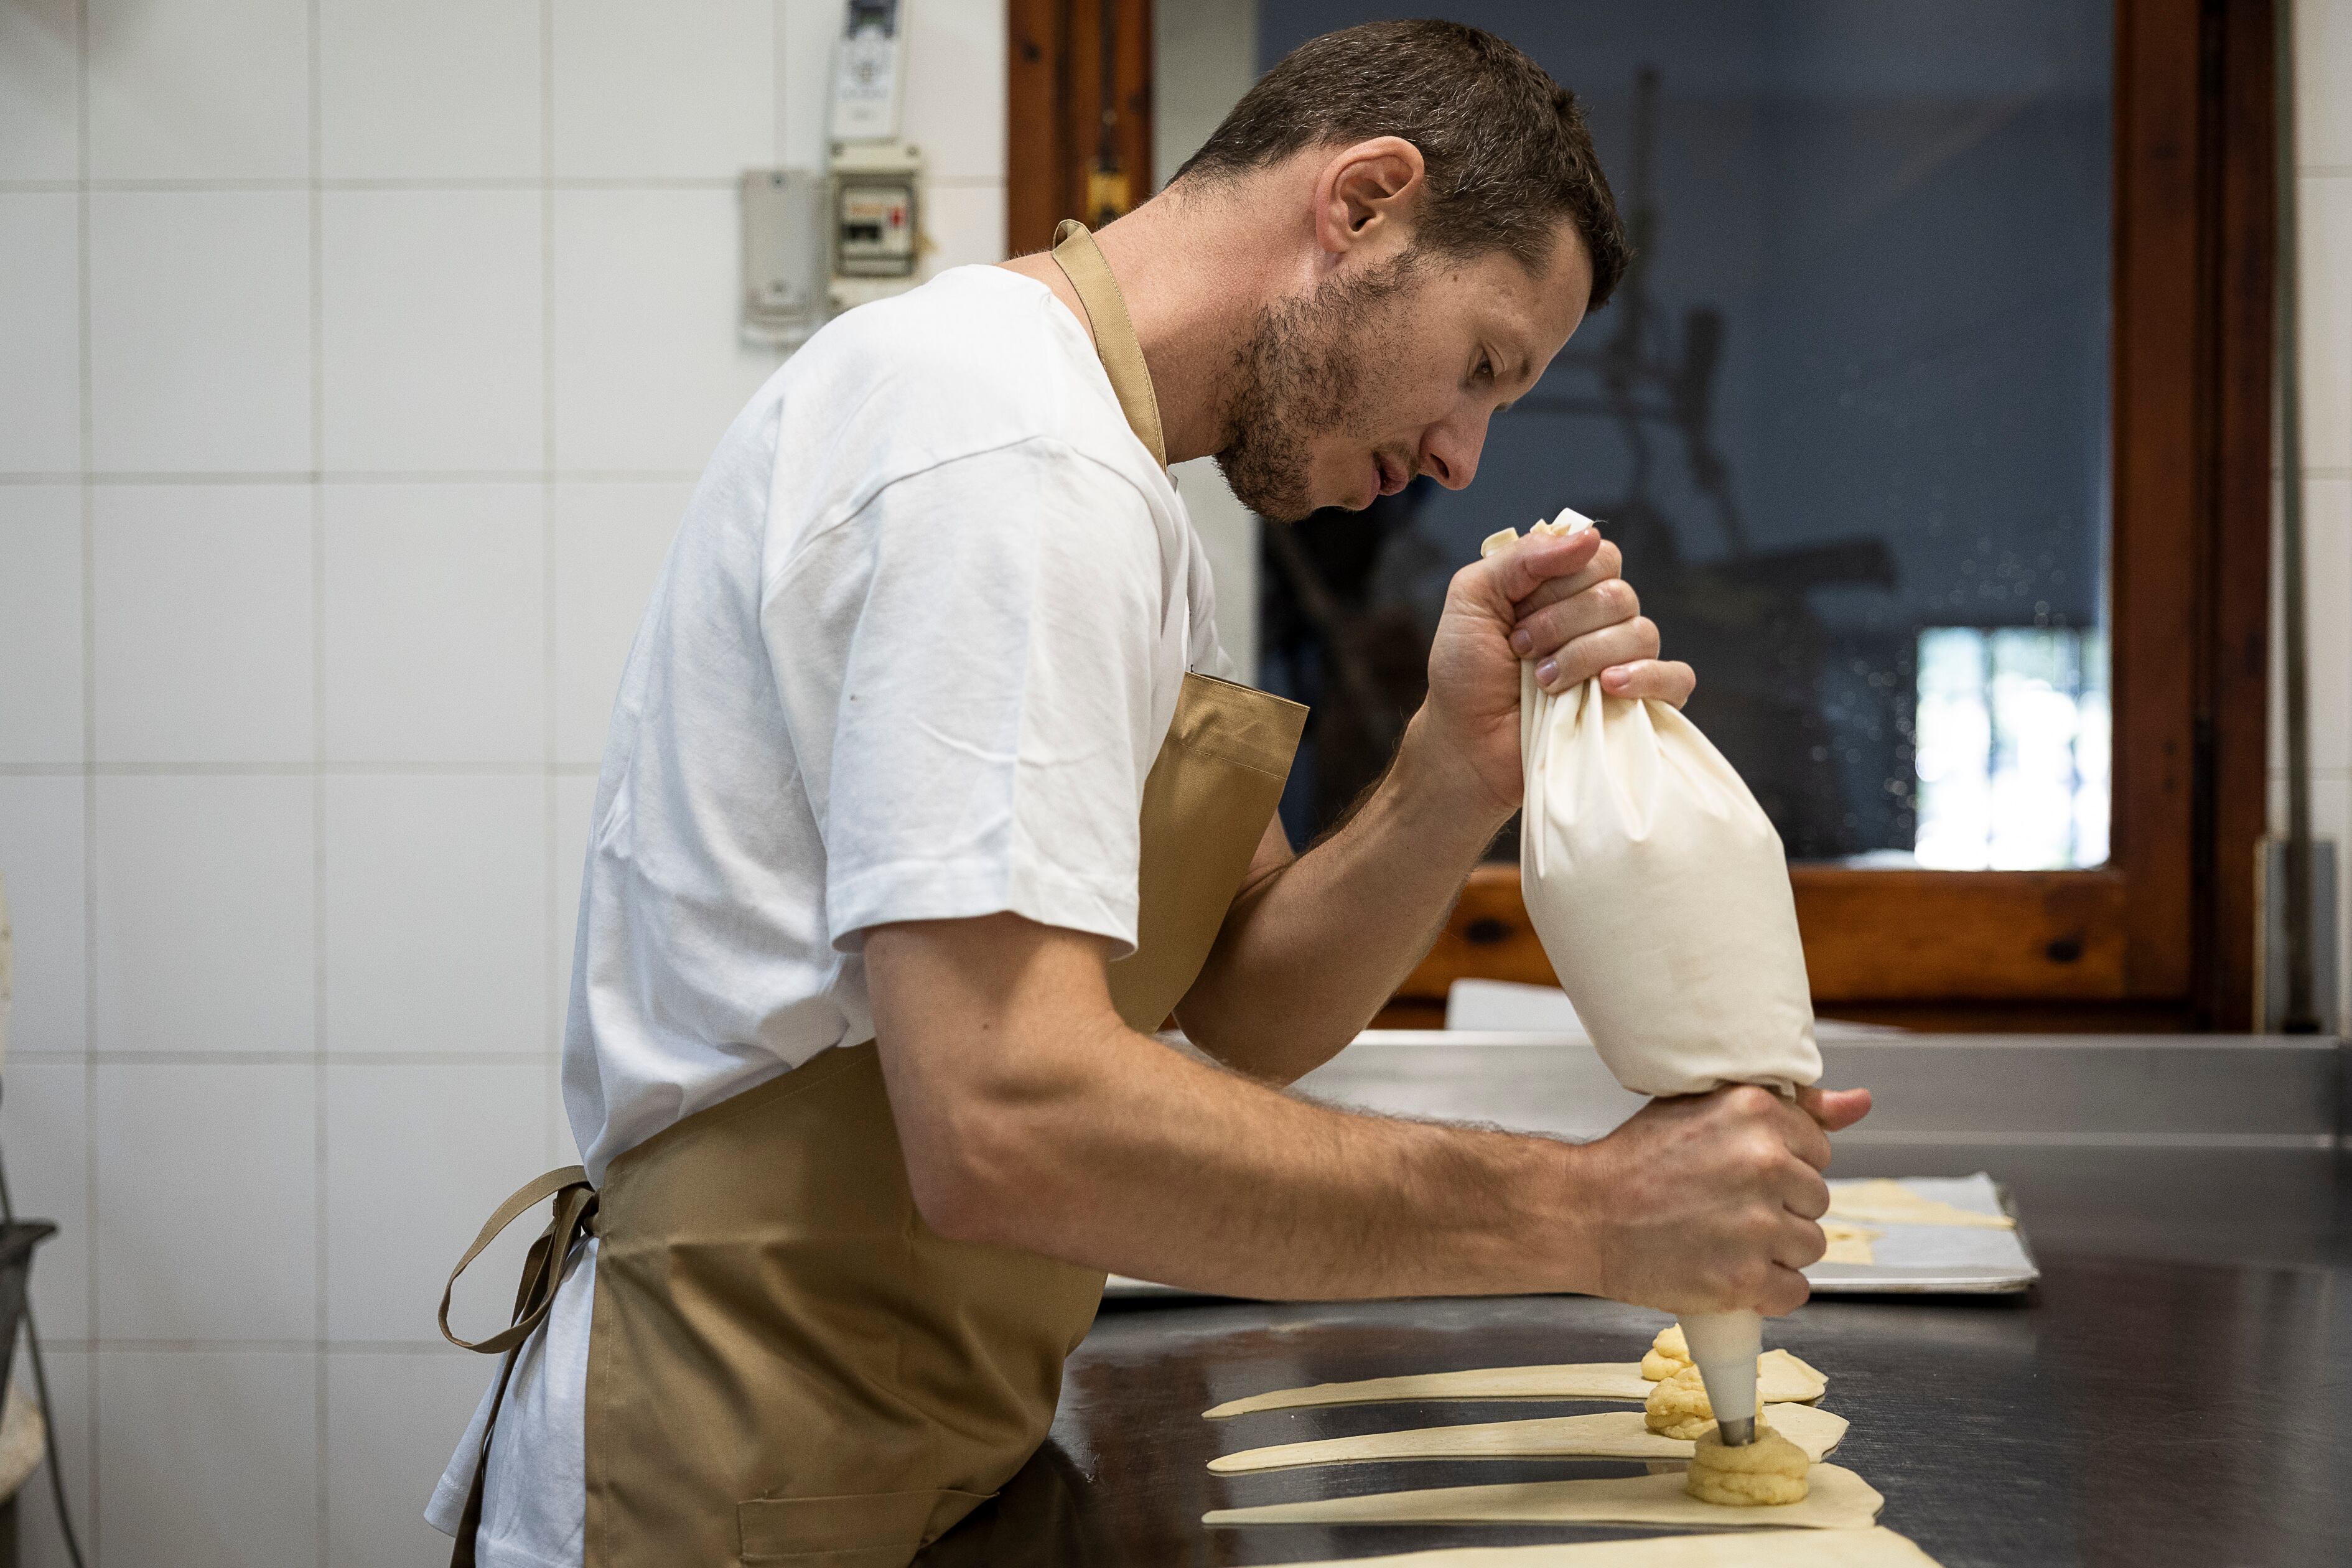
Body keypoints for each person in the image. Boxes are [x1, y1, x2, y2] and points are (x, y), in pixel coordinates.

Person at [427, 20, 1871, 1568]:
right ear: (1365, 201)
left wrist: (1453, 776)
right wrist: (1592, 1216)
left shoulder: (1110, 487)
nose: (1463, 456)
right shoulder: (1002, 452)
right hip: (741, 1469)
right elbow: (1005, 1117)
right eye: (1483, 366)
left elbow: (1242, 999)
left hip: (890, 1445)